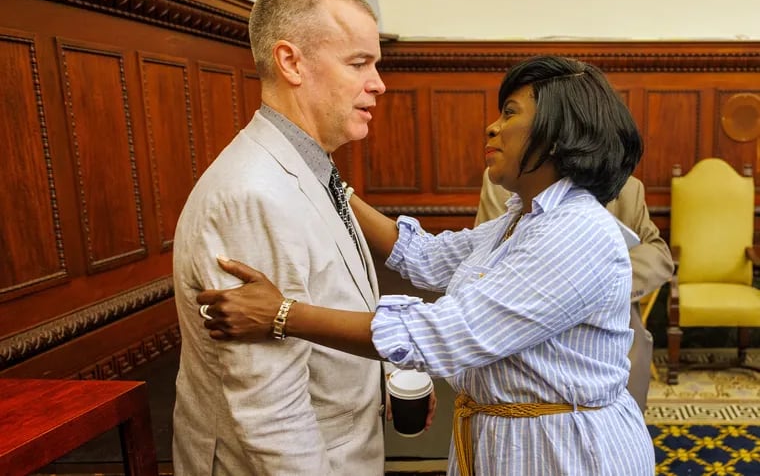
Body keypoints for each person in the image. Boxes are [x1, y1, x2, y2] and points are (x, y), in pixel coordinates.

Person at [199, 55, 656, 475]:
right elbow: (427, 256)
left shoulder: (576, 232)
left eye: (511, 113)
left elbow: (446, 335)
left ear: (561, 132)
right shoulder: (524, 218)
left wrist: (281, 315)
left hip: (563, 454)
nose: (491, 128)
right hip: (507, 441)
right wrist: (331, 185)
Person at [171, 0, 412, 475]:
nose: (378, 84)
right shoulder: (251, 194)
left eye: (376, 65)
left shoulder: (309, 166)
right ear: (291, 62)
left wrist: (383, 378)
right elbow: (268, 409)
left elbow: (335, 299)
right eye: (358, 63)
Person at [475, 171, 674, 411]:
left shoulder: (628, 187)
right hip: (525, 335)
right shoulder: (505, 182)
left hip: (612, 345)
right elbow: (487, 258)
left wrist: (599, 276)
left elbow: (659, 254)